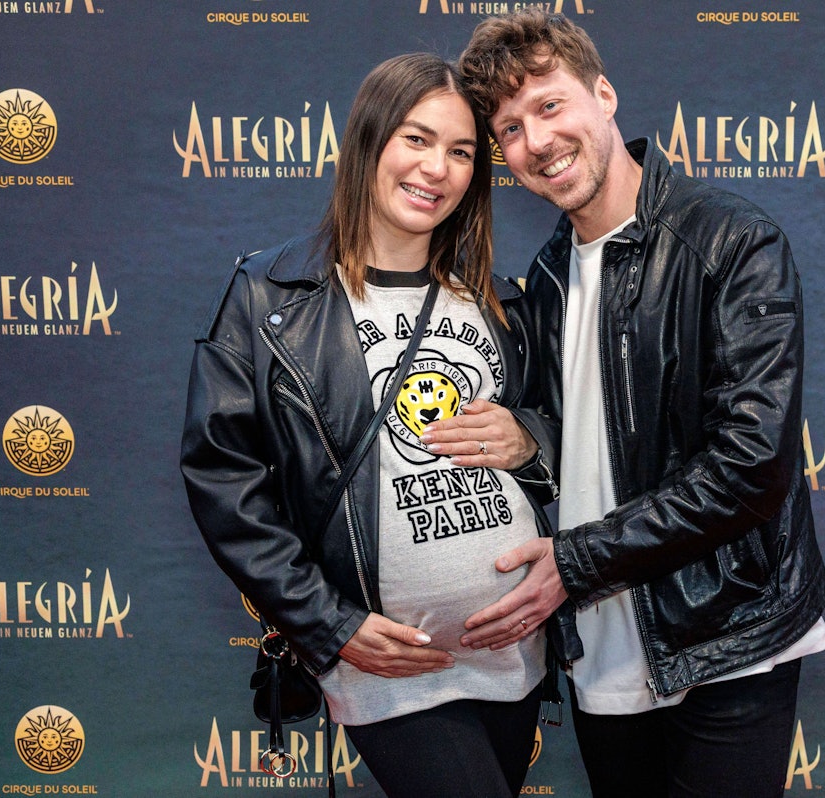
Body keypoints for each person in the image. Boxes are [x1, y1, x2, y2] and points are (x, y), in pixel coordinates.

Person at [424, 10, 825, 797]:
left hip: (729, 641)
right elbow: (585, 430)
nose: (536, 141)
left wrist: (573, 564)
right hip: (603, 659)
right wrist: (527, 438)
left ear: (604, 95)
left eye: (549, 105)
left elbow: (752, 465)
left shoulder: (731, 242)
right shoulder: (541, 283)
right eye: (509, 129)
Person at [180, 52, 560, 798]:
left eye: (460, 152)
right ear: (369, 142)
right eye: (416, 139)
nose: (438, 168)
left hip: (514, 652)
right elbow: (224, 478)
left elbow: (564, 434)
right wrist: (328, 624)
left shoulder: (496, 302)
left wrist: (530, 442)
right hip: (388, 665)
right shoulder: (273, 297)